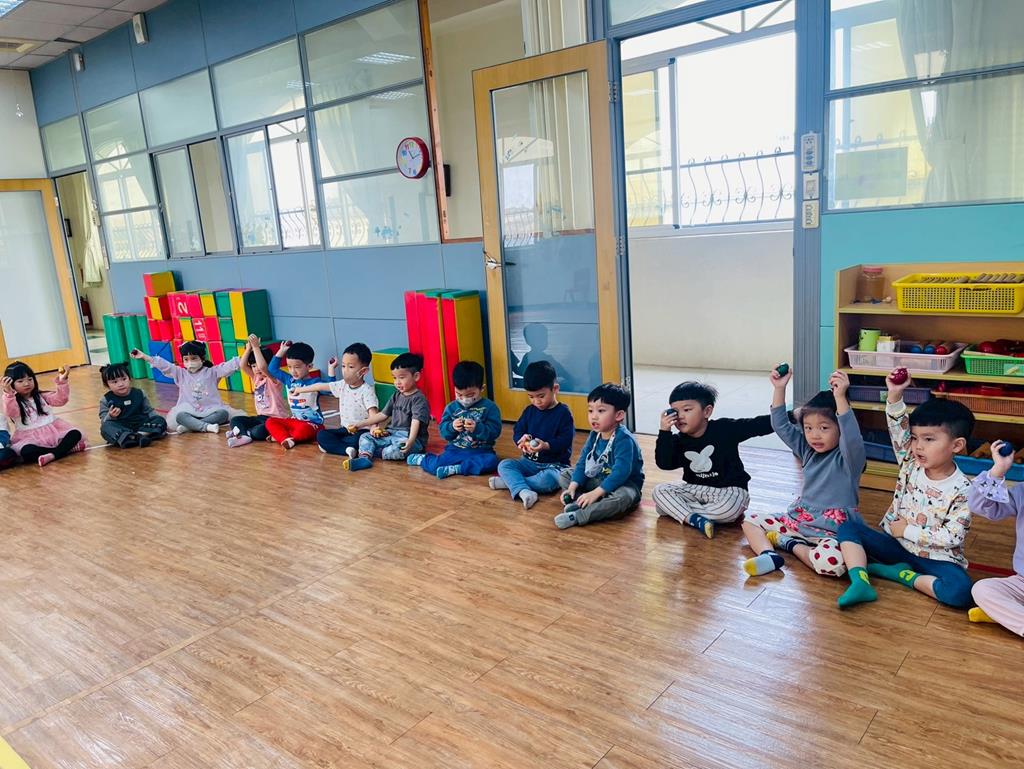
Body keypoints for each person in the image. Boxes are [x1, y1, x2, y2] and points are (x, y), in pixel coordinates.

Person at [836, 369, 975, 610]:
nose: (918, 446)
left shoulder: (964, 489)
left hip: (936, 559)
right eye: (915, 438)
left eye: (929, 439)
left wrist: (907, 530)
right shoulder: (911, 461)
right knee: (847, 527)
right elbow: (897, 427)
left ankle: (901, 575)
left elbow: (952, 537)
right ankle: (860, 581)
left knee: (960, 592)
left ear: (957, 445)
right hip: (896, 545)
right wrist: (895, 394)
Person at [742, 367, 865, 578]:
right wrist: (779, 388)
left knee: (832, 565)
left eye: (824, 428)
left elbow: (852, 436)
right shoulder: (807, 451)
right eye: (808, 428)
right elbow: (780, 425)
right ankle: (769, 555)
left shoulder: (849, 459)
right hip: (798, 521)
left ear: (839, 428)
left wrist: (840, 397)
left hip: (831, 532)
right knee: (750, 521)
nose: (814, 435)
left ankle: (789, 544)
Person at [653, 381, 773, 539]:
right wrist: (664, 431)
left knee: (728, 509)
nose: (680, 416)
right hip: (695, 488)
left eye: (687, 410)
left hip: (729, 491)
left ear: (707, 411)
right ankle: (695, 519)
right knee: (659, 491)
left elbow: (757, 425)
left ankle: (680, 511)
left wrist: (793, 416)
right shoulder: (678, 440)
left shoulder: (724, 429)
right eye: (675, 412)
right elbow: (665, 463)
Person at [556, 383, 644, 530]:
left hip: (624, 484)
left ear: (619, 415)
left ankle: (578, 515)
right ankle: (583, 501)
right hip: (599, 479)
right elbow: (582, 462)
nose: (594, 416)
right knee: (565, 475)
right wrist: (572, 487)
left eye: (601, 411)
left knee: (623, 497)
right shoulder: (594, 435)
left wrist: (596, 493)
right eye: (590, 410)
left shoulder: (624, 440)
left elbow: (621, 473)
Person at [489, 361, 575, 509]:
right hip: (528, 462)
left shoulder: (563, 413)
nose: (536, 401)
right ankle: (525, 491)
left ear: (555, 389)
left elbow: (565, 440)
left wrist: (546, 445)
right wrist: (521, 439)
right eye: (531, 397)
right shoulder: (529, 411)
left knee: (548, 481)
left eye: (541, 396)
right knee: (504, 464)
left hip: (554, 466)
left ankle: (511, 483)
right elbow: (518, 430)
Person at [407, 360, 501, 479]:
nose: (464, 399)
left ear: (482, 388)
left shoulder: (490, 407)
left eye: (470, 395)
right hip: (455, 450)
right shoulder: (451, 408)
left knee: (492, 462)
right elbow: (444, 432)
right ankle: (423, 459)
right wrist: (452, 427)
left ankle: (457, 468)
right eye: (459, 394)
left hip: (481, 451)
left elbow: (495, 432)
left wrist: (477, 428)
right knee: (436, 465)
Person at [968, 440, 1024, 635]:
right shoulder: (1022, 492)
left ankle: (1006, 616)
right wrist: (997, 471)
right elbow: (981, 506)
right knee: (983, 589)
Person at [132, 341, 246, 433]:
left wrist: (249, 351)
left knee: (223, 414)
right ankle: (206, 427)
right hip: (189, 412)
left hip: (210, 410)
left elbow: (229, 366)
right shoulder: (180, 373)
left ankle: (190, 427)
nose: (190, 362)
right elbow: (165, 366)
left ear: (202, 358)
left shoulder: (212, 372)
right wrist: (144, 357)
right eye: (186, 359)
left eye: (194, 358)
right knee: (180, 416)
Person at [346, 352, 431, 471]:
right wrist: (359, 424)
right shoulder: (397, 395)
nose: (397, 382)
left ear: (416, 376)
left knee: (398, 448)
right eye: (394, 378)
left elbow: (415, 421)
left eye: (402, 378)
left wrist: (411, 440)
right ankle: (364, 458)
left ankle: (373, 452)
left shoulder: (419, 399)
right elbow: (382, 415)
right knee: (365, 436)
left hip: (411, 439)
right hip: (392, 434)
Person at [298, 342, 379, 458]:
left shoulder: (367, 391)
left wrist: (374, 427)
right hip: (345, 430)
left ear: (363, 371)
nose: (345, 370)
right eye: (343, 366)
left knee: (358, 440)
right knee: (321, 435)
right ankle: (347, 449)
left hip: (361, 432)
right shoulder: (342, 385)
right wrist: (299, 390)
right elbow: (319, 386)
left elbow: (374, 414)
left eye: (351, 367)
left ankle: (338, 447)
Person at [2, 361, 86, 467]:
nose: (26, 383)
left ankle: (52, 455)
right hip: (29, 437)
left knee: (75, 433)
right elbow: (11, 412)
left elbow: (61, 400)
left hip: (54, 432)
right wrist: (8, 393)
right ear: (11, 384)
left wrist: (62, 381)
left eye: (30, 379)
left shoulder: (41, 396)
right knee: (27, 451)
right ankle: (64, 450)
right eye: (20, 381)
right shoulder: (12, 401)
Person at [265, 341, 337, 449]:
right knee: (270, 421)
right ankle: (286, 438)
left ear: (309, 366)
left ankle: (282, 437)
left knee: (303, 430)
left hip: (313, 424)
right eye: (289, 367)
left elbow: (332, 389)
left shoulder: (315, 382)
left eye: (297, 367)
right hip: (295, 421)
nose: (293, 371)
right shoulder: (289, 380)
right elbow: (272, 369)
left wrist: (331, 369)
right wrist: (282, 351)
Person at [226, 335, 290, 448]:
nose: (256, 369)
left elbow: (263, 367)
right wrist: (248, 349)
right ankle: (244, 435)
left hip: (276, 419)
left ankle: (242, 432)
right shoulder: (256, 378)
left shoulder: (274, 379)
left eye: (257, 365)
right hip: (261, 417)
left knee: (258, 431)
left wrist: (256, 347)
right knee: (235, 420)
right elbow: (242, 365)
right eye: (253, 366)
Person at [98, 362, 167, 448]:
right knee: (105, 427)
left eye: (124, 379)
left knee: (160, 420)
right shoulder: (105, 400)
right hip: (122, 427)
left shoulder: (140, 393)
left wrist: (160, 422)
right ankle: (138, 437)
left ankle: (136, 437)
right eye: (114, 382)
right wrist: (110, 416)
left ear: (129, 378)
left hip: (141, 424)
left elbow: (149, 411)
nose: (121, 384)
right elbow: (104, 422)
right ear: (107, 385)